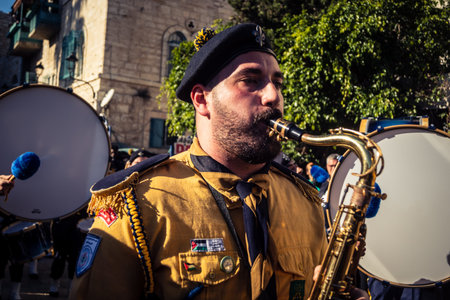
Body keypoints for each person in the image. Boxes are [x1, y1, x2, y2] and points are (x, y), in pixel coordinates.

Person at [69, 23, 367, 300]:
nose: (274, 96)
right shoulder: (137, 204)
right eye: (250, 81)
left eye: (277, 82)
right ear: (201, 100)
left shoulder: (306, 199)